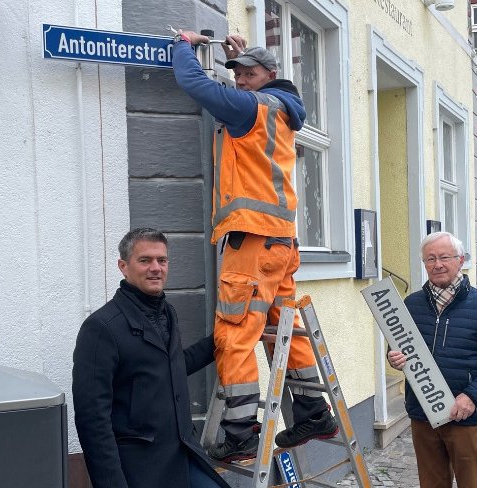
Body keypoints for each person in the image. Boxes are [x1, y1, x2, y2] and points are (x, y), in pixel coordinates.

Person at [169, 31, 336, 462]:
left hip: (252, 241)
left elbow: (195, 85)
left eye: (250, 73)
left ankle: (241, 430)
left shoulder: (250, 107)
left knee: (235, 332)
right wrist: (239, 58)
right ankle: (314, 411)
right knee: (283, 328)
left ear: (270, 75)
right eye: (238, 74)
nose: (242, 80)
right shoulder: (283, 106)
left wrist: (183, 46)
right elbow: (255, 87)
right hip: (280, 243)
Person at [72, 228, 231, 488]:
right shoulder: (101, 328)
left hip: (184, 455)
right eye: (145, 260)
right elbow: (92, 419)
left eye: (162, 260)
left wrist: (224, 339)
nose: (156, 268)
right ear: (123, 266)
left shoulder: (167, 313)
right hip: (141, 468)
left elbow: (174, 365)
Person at [386, 232, 477, 488]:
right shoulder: (411, 304)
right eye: (430, 259)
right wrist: (394, 358)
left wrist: (472, 396)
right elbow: (399, 349)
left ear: (460, 260)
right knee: (431, 484)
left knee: (472, 484)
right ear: (424, 264)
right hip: (422, 413)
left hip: (464, 416)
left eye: (445, 257)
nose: (438, 264)